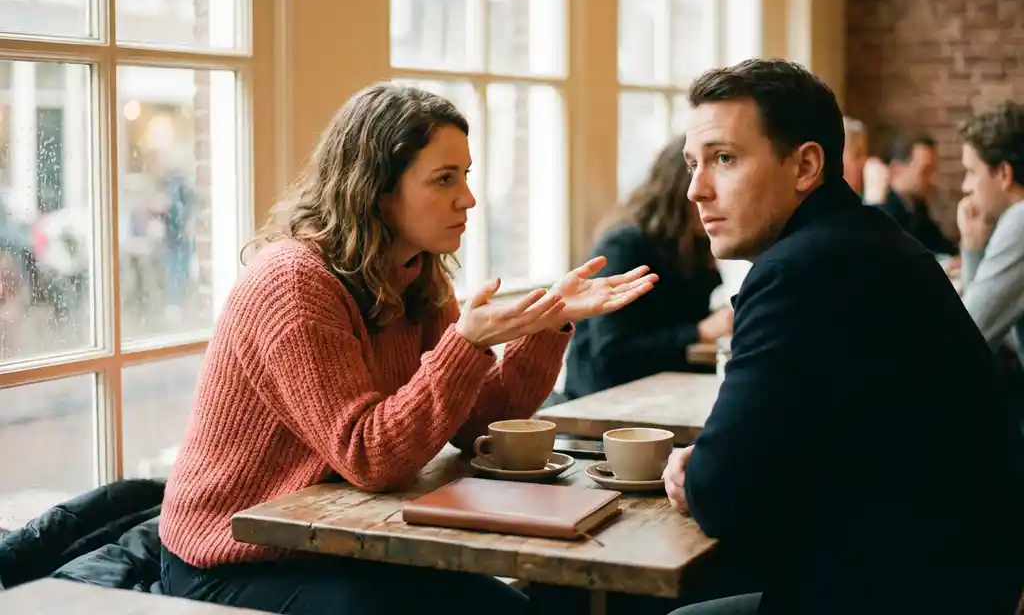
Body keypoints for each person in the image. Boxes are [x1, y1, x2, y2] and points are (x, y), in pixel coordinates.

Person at [158, 84, 657, 614]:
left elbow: (479, 426)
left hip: (335, 544)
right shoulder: (294, 285)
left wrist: (546, 323)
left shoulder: (416, 273)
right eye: (444, 179)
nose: (467, 199)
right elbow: (369, 456)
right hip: (231, 561)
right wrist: (465, 342)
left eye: (465, 176)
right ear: (376, 189)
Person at [663, 59, 1024, 615]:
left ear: (806, 165)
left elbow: (722, 495)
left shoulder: (800, 270)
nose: (695, 190)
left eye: (724, 159)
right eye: (693, 164)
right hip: (964, 580)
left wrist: (703, 471)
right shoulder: (869, 238)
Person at [562, 135, 730, 400]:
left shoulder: (696, 246)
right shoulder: (624, 246)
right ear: (679, 190)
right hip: (600, 405)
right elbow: (613, 352)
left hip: (660, 398)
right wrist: (700, 331)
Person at [957, 101, 1024, 367]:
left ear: (1004, 173)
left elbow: (967, 337)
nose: (965, 186)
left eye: (972, 172)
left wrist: (972, 248)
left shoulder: (1020, 220)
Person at [877, 131, 958, 255]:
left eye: (934, 170)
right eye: (926, 171)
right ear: (897, 169)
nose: (933, 179)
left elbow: (939, 245)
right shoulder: (885, 213)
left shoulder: (916, 205)